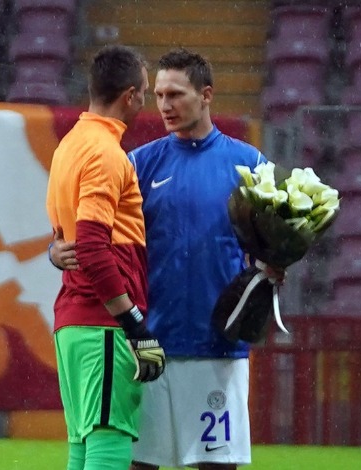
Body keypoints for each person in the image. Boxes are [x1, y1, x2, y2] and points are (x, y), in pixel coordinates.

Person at [51, 48, 277, 469]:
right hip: (149, 343)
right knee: (136, 463)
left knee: (217, 465)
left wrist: (276, 265)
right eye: (158, 95)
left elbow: (273, 242)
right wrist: (54, 250)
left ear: (206, 95)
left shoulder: (251, 166)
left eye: (176, 94)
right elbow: (85, 227)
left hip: (217, 345)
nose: (165, 105)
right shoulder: (138, 163)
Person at [45, 44, 166, 470]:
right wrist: (133, 323)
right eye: (146, 93)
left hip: (72, 326)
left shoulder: (69, 147)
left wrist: (52, 253)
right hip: (103, 325)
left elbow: (64, 239)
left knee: (83, 444)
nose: (147, 102)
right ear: (130, 95)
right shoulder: (105, 154)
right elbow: (95, 246)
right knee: (109, 437)